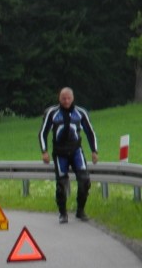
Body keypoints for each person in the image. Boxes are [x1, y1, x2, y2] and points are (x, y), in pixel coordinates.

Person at [39, 87, 99, 223]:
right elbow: (43, 133)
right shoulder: (52, 113)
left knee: (84, 181)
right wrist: (44, 151)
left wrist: (94, 151)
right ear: (59, 98)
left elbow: (90, 132)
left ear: (73, 98)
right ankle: (63, 213)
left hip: (76, 151)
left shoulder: (81, 113)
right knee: (61, 185)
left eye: (68, 98)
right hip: (60, 154)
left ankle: (80, 210)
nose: (66, 101)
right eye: (63, 98)